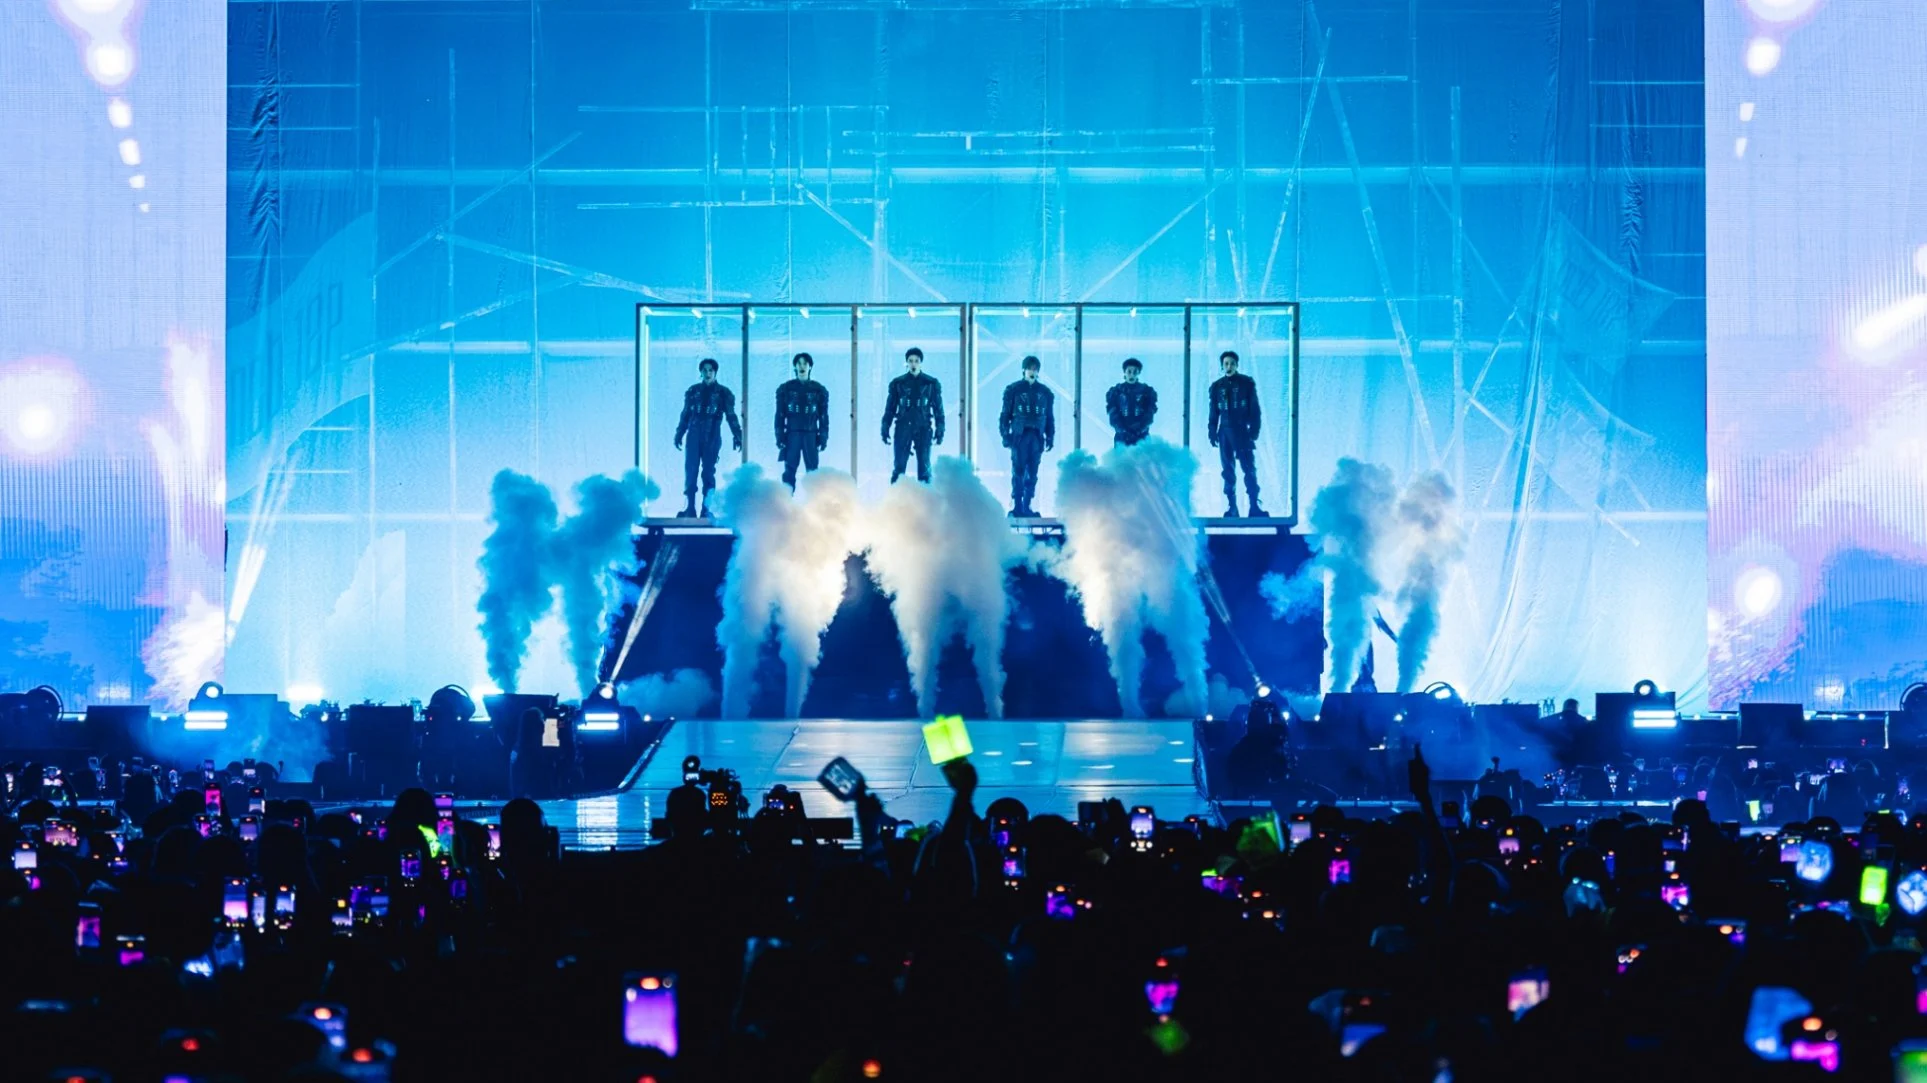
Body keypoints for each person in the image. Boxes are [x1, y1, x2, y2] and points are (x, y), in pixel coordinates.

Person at [672, 357, 742, 518]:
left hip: (712, 435)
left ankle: (706, 509)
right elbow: (685, 414)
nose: (707, 373)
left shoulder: (724, 393)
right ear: (700, 372)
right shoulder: (693, 391)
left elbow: (731, 416)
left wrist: (737, 435)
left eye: (710, 370)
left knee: (709, 472)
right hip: (693, 435)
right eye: (704, 370)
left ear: (715, 372)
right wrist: (679, 433)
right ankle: (690, 508)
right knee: (691, 471)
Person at [1207, 349, 1266, 517]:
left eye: (1232, 363)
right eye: (1226, 363)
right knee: (1228, 470)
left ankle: (1254, 506)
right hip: (1224, 433)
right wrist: (1212, 431)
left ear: (1237, 365)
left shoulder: (1247, 383)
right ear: (1222, 366)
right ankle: (1232, 507)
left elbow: (1254, 408)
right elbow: (1213, 412)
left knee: (1249, 468)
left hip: (1241, 431)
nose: (1229, 366)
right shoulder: (1216, 387)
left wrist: (1254, 430)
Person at [998, 355, 1054, 517]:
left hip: (1037, 436)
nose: (1032, 371)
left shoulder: (1045, 393)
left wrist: (1050, 436)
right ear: (1024, 369)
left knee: (1033, 472)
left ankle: (1026, 506)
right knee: (1019, 470)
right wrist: (1005, 434)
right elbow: (1005, 415)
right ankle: (1018, 506)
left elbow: (1049, 417)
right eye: (1030, 368)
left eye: (1035, 369)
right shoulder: (1013, 390)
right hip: (1019, 436)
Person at [881, 346, 944, 483]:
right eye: (910, 361)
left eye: (916, 361)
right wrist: (885, 427)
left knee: (925, 468)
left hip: (923, 428)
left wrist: (940, 429)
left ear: (921, 362)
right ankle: (896, 495)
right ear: (907, 363)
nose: (913, 364)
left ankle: (926, 495)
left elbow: (938, 410)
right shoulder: (898, 384)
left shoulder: (931, 384)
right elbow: (890, 408)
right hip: (903, 428)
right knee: (899, 467)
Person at [774, 352, 829, 490]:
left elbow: (823, 416)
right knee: (789, 469)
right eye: (799, 363)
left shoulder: (819, 390)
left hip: (811, 435)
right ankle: (786, 499)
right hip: (792, 435)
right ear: (795, 366)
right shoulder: (785, 389)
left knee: (813, 471)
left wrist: (823, 437)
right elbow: (779, 415)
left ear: (810, 366)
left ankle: (815, 500)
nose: (802, 366)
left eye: (805, 363)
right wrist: (779, 436)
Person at [1104, 357, 1157, 446]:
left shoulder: (1147, 392)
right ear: (1124, 372)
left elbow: (1149, 413)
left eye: (1135, 372)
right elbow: (1113, 414)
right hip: (1122, 437)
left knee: (1143, 455)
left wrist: (1140, 429)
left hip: (1142, 437)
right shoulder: (1116, 392)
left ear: (1138, 373)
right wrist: (1122, 429)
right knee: (1122, 455)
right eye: (1129, 371)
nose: (1132, 375)